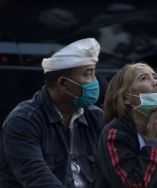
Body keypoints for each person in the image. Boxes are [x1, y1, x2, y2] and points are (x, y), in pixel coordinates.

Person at [0, 38, 103, 187]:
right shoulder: (23, 120)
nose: (95, 81)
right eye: (88, 74)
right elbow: (36, 177)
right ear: (62, 83)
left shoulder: (96, 117)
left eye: (94, 73)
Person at [94, 63, 157, 188]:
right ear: (126, 98)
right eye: (144, 78)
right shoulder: (114, 134)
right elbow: (134, 184)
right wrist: (155, 142)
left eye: (156, 78)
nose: (156, 83)